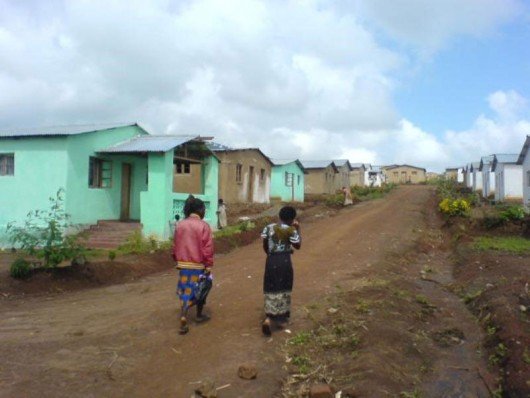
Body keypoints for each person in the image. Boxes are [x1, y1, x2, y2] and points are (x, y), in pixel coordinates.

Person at [173, 196, 214, 335]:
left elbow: (175, 245)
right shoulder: (203, 226)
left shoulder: (180, 225)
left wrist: (176, 259)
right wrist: (208, 264)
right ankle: (198, 314)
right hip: (198, 264)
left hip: (183, 264)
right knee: (202, 288)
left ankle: (184, 315)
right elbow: (207, 248)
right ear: (201, 210)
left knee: (186, 290)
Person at [260, 206, 301, 336]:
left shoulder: (269, 227)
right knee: (284, 286)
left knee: (271, 286)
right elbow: (298, 245)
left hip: (271, 260)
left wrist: (270, 254)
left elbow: (265, 244)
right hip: (284, 261)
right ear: (292, 219)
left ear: (279, 216)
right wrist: (297, 229)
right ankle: (280, 318)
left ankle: (269, 317)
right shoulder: (291, 230)